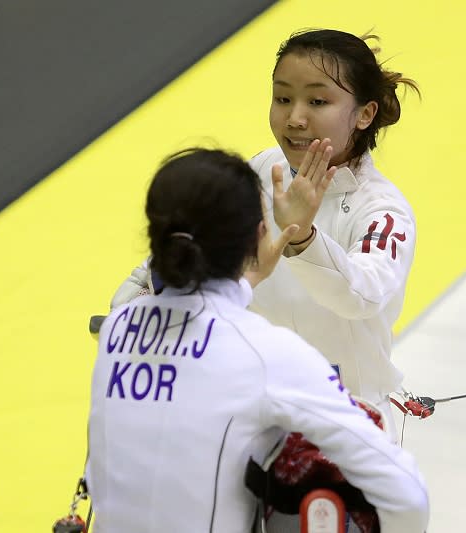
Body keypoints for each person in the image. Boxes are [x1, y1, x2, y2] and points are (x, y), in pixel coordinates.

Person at [86, 148, 428, 532]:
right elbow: (407, 496)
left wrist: (250, 278)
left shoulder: (119, 327)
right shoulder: (270, 354)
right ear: (260, 235)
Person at [111, 29, 419, 440]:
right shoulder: (263, 170)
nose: (295, 118)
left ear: (364, 115)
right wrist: (145, 291)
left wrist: (303, 237)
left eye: (318, 101)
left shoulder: (382, 210)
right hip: (251, 411)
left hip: (347, 424)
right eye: (283, 98)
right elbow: (199, 237)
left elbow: (361, 296)